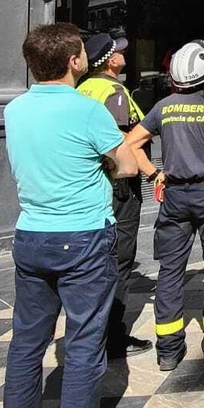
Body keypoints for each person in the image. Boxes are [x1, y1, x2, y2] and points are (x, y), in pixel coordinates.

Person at [0, 22, 138, 408]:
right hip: (82, 237)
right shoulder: (87, 111)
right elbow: (128, 166)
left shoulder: (14, 109)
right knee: (83, 346)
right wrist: (101, 162)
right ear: (75, 61)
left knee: (26, 343)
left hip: (30, 235)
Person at [123, 40, 204, 372]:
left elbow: (132, 143)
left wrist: (155, 175)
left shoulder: (162, 107)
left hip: (175, 197)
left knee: (170, 272)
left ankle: (168, 349)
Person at [78, 32, 151, 358]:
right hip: (119, 185)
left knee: (98, 259)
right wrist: (150, 173)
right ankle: (113, 336)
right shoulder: (113, 91)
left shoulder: (83, 88)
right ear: (110, 61)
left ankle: (95, 331)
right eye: (118, 51)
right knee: (120, 260)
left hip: (95, 182)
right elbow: (123, 142)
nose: (124, 54)